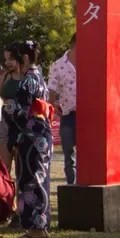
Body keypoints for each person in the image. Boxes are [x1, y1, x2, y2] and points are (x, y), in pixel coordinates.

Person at [3, 40, 54, 238]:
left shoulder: (28, 81)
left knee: (31, 179)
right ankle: (39, 225)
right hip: (40, 132)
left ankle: (36, 228)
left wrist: (5, 107)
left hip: (30, 133)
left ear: (24, 58)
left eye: (14, 59)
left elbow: (18, 111)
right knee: (38, 177)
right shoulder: (39, 77)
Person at [47, 34, 78, 185]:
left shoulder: (91, 61)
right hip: (68, 114)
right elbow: (51, 89)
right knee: (68, 152)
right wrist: (53, 105)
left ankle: (86, 183)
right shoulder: (58, 65)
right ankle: (72, 185)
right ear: (73, 44)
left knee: (87, 153)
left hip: (90, 114)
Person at [0, 46, 22, 174]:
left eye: (11, 59)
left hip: (21, 125)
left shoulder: (29, 76)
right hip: (5, 123)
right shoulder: (6, 76)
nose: (8, 62)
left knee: (21, 167)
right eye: (6, 59)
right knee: (3, 167)